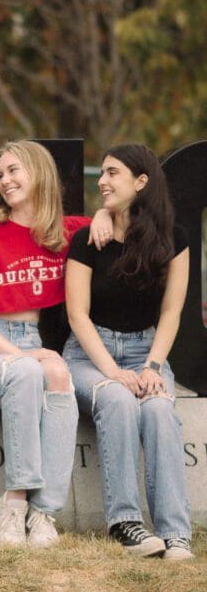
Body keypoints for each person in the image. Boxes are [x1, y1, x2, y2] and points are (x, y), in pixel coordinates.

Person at [0, 139, 112, 548]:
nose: (5, 180)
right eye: (0, 174)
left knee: (58, 373)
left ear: (39, 172)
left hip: (29, 344)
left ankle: (44, 513)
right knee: (28, 370)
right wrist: (22, 355)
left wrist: (106, 213)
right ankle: (14, 502)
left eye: (13, 170)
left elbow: (121, 219)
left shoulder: (67, 232)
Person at [64, 144, 193, 560]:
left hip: (145, 350)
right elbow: (77, 315)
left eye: (112, 173)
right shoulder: (88, 239)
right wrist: (112, 371)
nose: (102, 181)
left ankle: (176, 533)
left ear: (141, 182)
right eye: (101, 172)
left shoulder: (174, 239)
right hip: (89, 354)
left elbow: (171, 312)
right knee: (118, 398)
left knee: (158, 409)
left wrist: (153, 366)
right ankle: (125, 523)